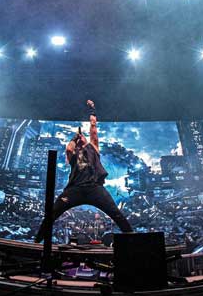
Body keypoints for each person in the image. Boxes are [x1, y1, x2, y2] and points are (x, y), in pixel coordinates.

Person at [35, 100, 133, 243]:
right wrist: (75, 137)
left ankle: (134, 240)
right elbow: (69, 149)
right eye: (79, 138)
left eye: (82, 137)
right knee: (52, 213)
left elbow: (93, 127)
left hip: (95, 188)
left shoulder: (93, 147)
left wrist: (92, 110)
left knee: (116, 214)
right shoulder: (73, 155)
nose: (81, 138)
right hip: (75, 190)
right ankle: (37, 242)